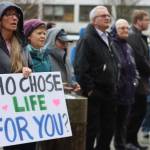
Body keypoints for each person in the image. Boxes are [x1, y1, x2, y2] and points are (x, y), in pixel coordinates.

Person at [75, 6, 120, 150]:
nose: (108, 18)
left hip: (110, 93)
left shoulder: (108, 37)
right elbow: (81, 67)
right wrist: (90, 90)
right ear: (94, 20)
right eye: (103, 16)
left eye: (108, 15)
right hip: (95, 94)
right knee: (91, 131)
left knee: (108, 129)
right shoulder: (87, 39)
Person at [0, 1, 34, 150]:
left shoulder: (22, 44)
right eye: (9, 14)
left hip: (21, 107)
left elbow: (31, 68)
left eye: (16, 15)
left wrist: (27, 71)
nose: (14, 18)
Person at [110, 19, 139, 150]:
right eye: (122, 28)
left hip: (128, 93)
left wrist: (135, 82)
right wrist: (117, 86)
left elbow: (134, 68)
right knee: (109, 125)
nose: (125, 30)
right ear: (115, 30)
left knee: (122, 124)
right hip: (115, 94)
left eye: (127, 28)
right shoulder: (111, 45)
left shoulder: (128, 47)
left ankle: (120, 146)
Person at [126, 9, 150, 150]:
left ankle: (133, 141)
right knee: (135, 113)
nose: (148, 23)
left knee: (139, 113)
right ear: (138, 21)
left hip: (141, 82)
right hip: (136, 83)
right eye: (146, 20)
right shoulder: (133, 36)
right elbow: (140, 59)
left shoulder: (139, 36)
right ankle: (128, 141)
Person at [45, 27, 80, 93]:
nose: (65, 45)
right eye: (62, 42)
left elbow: (71, 77)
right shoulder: (43, 58)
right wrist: (58, 87)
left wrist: (74, 84)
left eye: (66, 42)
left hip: (65, 99)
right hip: (51, 99)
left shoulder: (66, 58)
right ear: (51, 41)